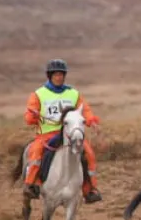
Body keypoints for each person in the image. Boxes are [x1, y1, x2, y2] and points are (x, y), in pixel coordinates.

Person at [23, 59, 103, 203]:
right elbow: (29, 117)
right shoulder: (38, 94)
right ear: (50, 76)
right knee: (35, 153)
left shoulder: (73, 94)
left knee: (89, 154)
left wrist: (92, 121)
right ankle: (32, 185)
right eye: (56, 75)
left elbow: (85, 110)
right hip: (47, 135)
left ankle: (90, 190)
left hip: (70, 134)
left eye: (61, 74)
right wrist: (33, 116)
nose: (59, 77)